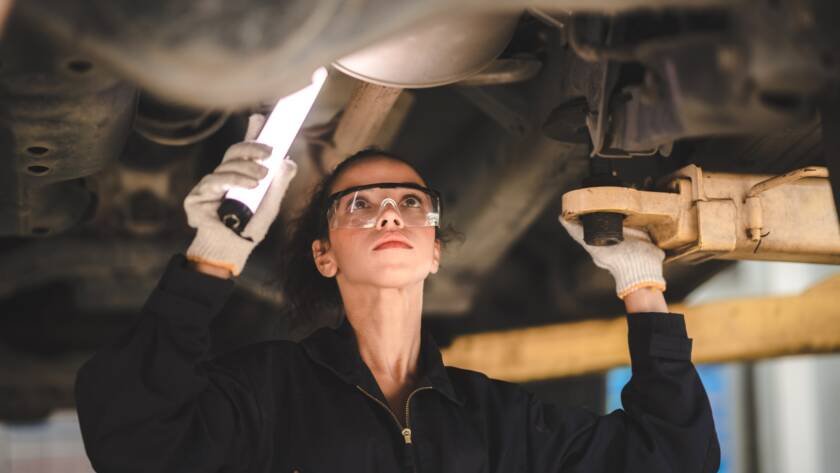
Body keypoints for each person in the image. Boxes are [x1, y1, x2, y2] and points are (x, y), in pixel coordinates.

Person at [75, 115, 720, 472]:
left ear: (435, 250)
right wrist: (211, 259)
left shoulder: (494, 420)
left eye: (410, 202)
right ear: (322, 255)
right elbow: (131, 438)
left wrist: (641, 285)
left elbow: (671, 459)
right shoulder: (270, 393)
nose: (388, 214)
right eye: (358, 204)